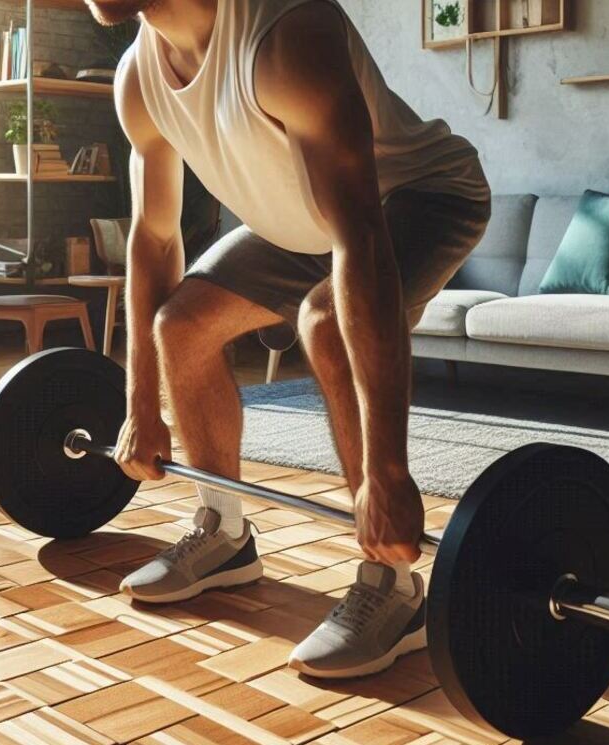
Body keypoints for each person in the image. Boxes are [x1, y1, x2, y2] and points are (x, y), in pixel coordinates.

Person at [89, 0, 490, 678]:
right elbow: (155, 237)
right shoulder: (138, 76)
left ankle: (393, 585)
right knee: (180, 327)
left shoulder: (286, 34)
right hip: (301, 223)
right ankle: (224, 535)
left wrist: (387, 472)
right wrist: (140, 404)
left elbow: (361, 234)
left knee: (326, 323)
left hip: (415, 197)